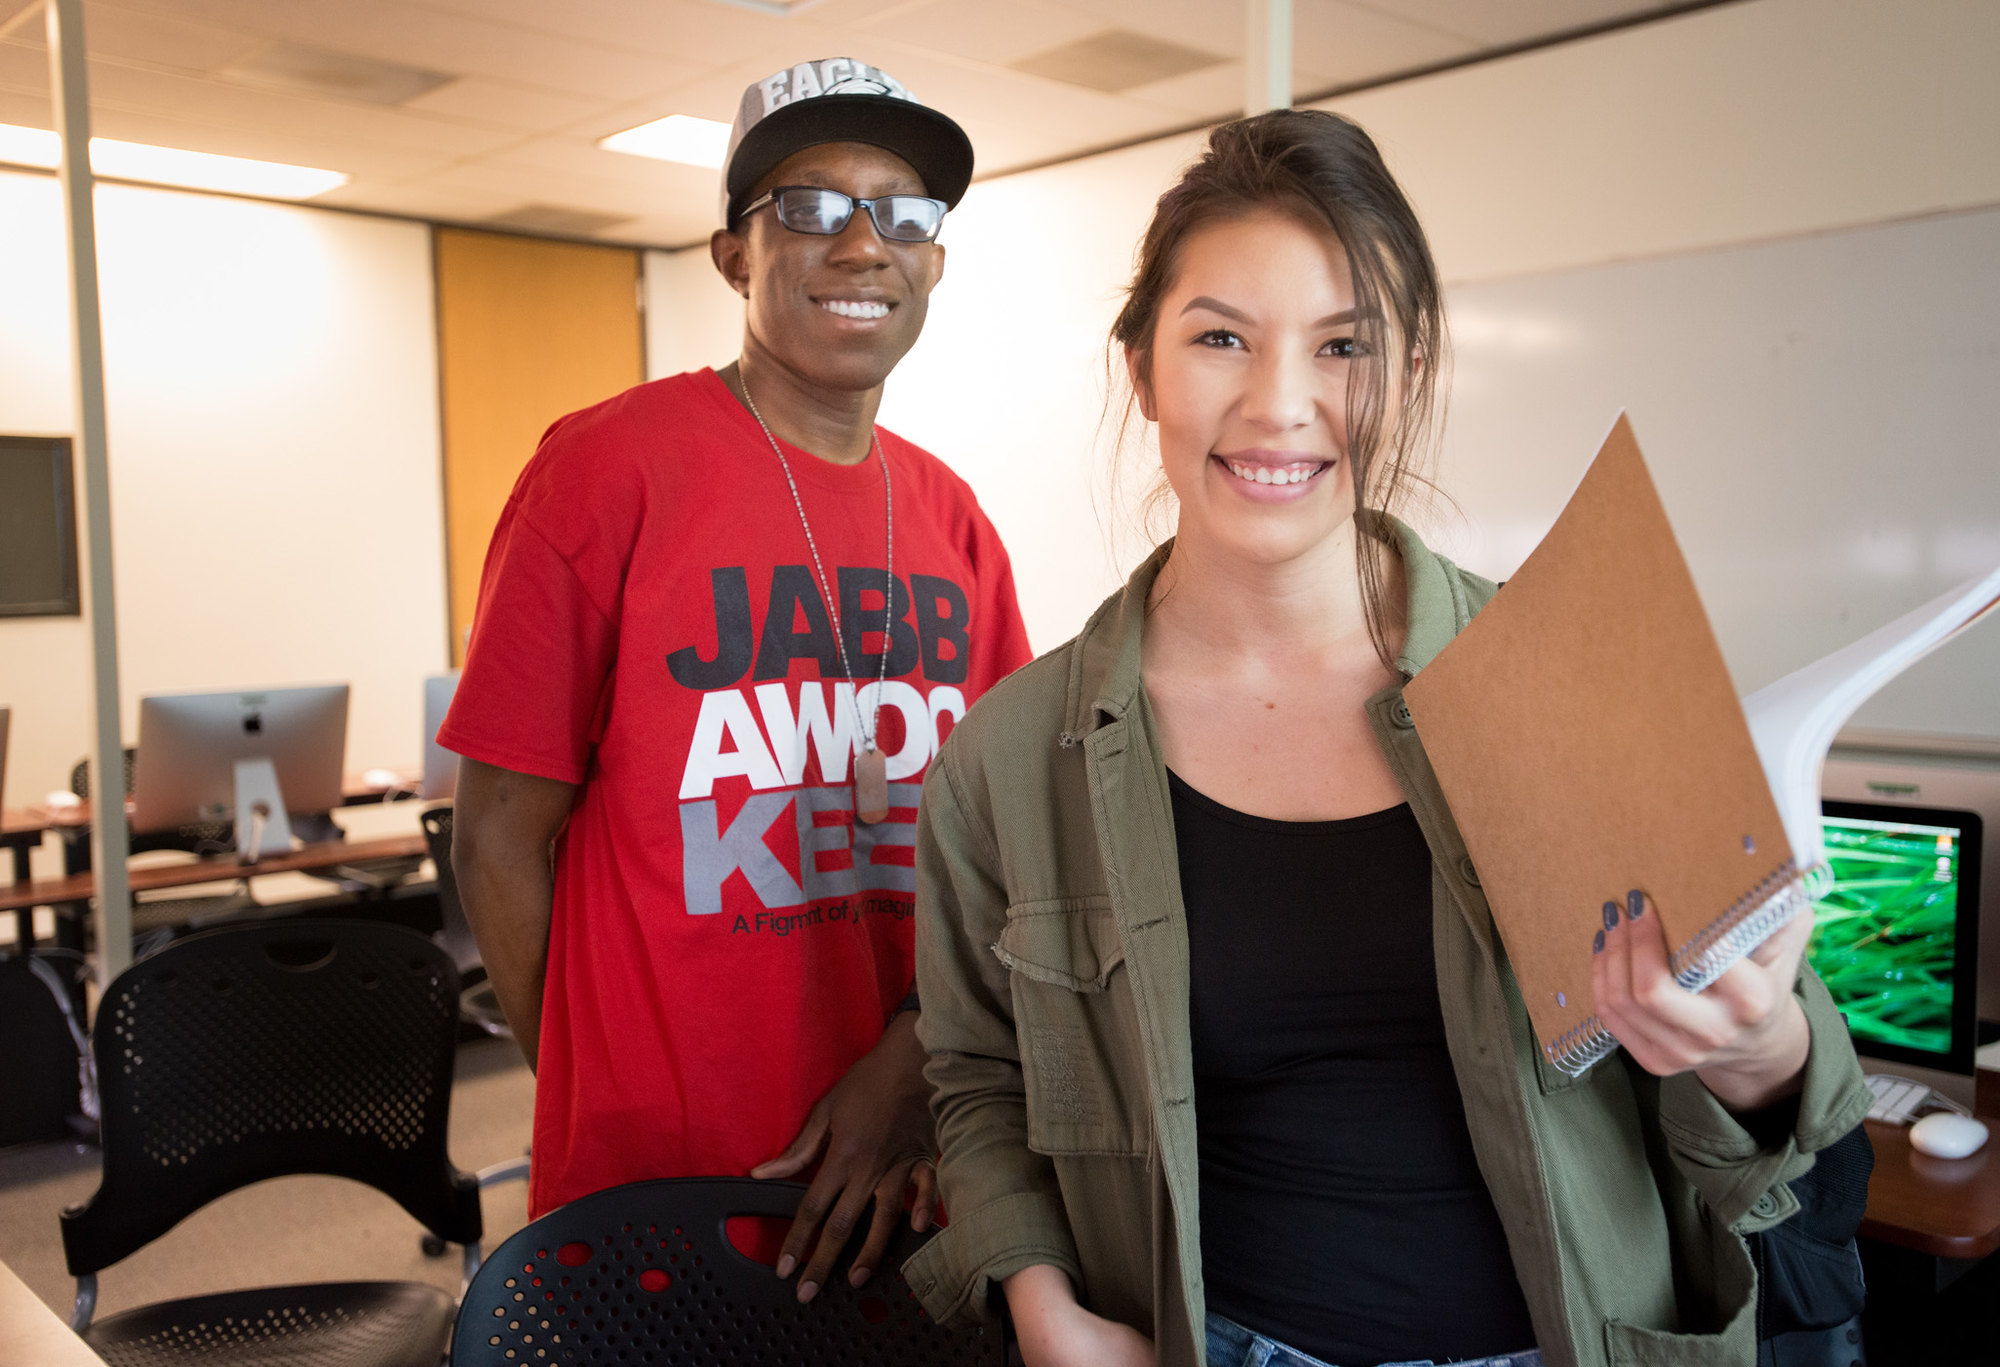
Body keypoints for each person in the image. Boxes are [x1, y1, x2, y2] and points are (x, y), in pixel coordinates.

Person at [905, 109, 1868, 1367]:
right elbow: (980, 1077)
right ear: (1141, 365)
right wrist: (1041, 1301)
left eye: (1341, 343)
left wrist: (1756, 1048)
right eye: (1218, 339)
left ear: (1404, 371)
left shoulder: (1566, 670)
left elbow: (1780, 1120)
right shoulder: (1010, 754)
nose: (1280, 404)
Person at [438, 58, 1032, 1302]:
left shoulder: (953, 521)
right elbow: (499, 834)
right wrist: (603, 1088)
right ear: (731, 255)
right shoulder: (605, 472)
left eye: (904, 213)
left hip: (905, 1174)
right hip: (663, 1183)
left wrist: (921, 1058)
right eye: (810, 206)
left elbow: (1005, 853)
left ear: (935, 263)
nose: (863, 242)